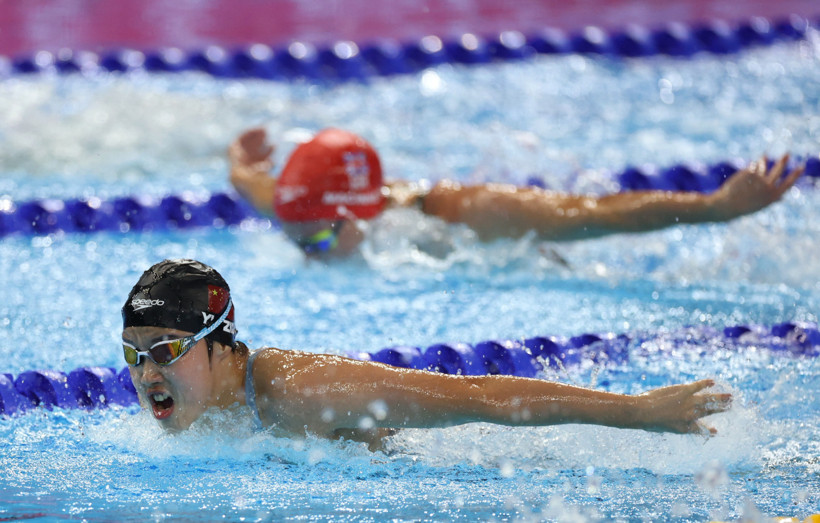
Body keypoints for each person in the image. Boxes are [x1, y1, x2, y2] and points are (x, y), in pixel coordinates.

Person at [123, 258, 732, 449]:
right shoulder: (190, 417)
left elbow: (480, 398)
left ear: (224, 347)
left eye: (165, 349)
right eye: (133, 355)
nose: (147, 371)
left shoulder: (307, 391)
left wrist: (638, 411)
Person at [228, 127, 805, 257]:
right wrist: (240, 164)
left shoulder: (467, 213)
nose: (311, 250)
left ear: (366, 211)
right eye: (295, 234)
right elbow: (250, 181)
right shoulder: (299, 205)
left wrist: (715, 207)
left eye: (324, 237)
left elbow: (597, 214)